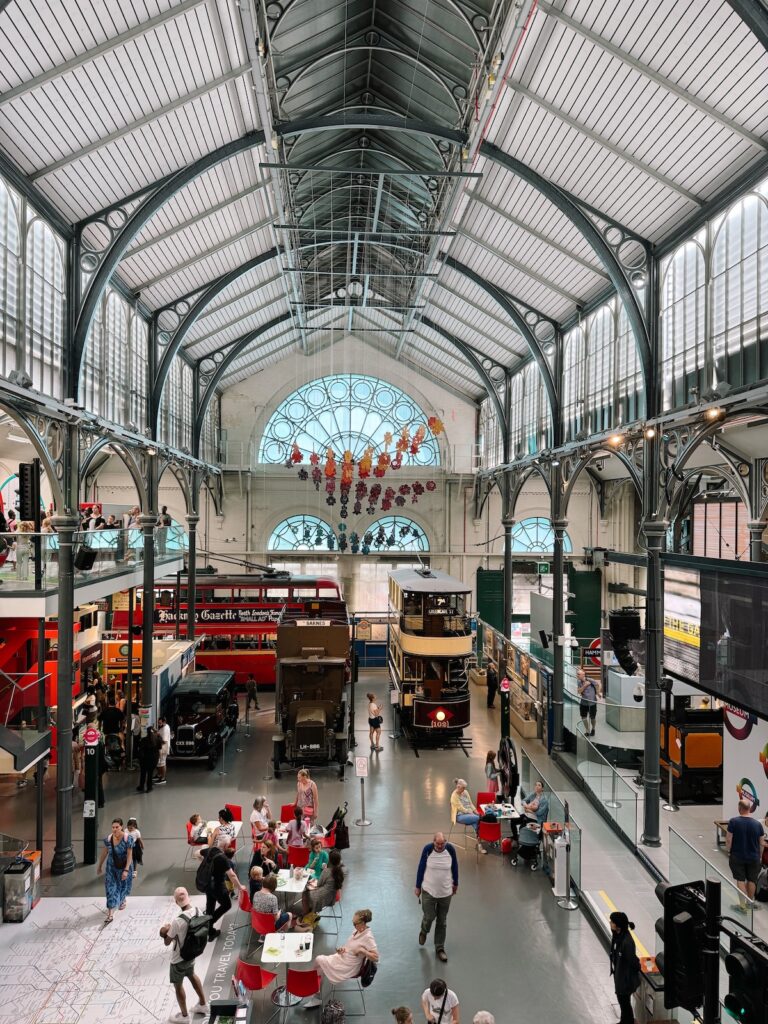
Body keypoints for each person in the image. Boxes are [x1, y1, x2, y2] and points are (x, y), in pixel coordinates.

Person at [305, 908, 379, 1008]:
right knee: (320, 966)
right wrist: (343, 949)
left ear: (362, 923)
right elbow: (350, 946)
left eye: (354, 923)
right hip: (343, 957)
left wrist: (363, 951)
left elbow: (376, 957)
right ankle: (315, 993)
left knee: (319, 960)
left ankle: (314, 992)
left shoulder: (368, 937)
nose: (353, 925)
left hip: (349, 966)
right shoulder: (357, 930)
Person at [159, 885, 210, 1023]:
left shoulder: (178, 921)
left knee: (178, 985)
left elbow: (167, 942)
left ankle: (184, 1016)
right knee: (192, 975)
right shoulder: (199, 911)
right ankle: (203, 1004)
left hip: (178, 959)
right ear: (189, 898)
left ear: (176, 902)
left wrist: (166, 929)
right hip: (192, 953)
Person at [415, 832, 459, 964]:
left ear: (445, 842)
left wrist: (455, 883)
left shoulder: (450, 849)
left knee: (442, 920)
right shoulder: (427, 850)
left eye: (442, 843)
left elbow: (455, 866)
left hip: (445, 892)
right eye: (437, 843)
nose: (440, 846)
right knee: (429, 916)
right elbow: (421, 867)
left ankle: (440, 948)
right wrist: (417, 886)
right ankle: (424, 930)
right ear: (433, 842)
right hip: (428, 890)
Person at [202, 835, 245, 940]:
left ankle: (210, 931)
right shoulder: (223, 858)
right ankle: (209, 924)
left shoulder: (211, 850)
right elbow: (232, 875)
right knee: (226, 905)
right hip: (218, 885)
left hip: (208, 883)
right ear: (226, 845)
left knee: (210, 905)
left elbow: (197, 853)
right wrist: (240, 887)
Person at [727, 797, 766, 910]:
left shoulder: (734, 821)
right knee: (752, 880)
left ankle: (742, 906)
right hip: (753, 857)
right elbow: (762, 843)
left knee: (740, 880)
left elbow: (729, 839)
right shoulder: (757, 824)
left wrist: (729, 851)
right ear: (749, 809)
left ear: (739, 808)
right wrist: (759, 857)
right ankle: (750, 904)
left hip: (737, 856)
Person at [97, 817, 135, 923]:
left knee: (122, 887)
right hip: (111, 868)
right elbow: (104, 853)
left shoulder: (128, 839)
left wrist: (126, 870)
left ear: (121, 827)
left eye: (117, 827)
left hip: (124, 867)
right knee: (110, 889)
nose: (114, 829)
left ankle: (122, 900)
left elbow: (129, 855)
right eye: (113, 827)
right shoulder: (109, 839)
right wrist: (100, 865)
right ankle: (110, 914)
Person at [609, 911, 641, 1024]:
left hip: (625, 979)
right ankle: (624, 1021)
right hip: (620, 976)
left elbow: (633, 961)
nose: (610, 923)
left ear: (618, 925)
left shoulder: (627, 942)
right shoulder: (618, 936)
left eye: (612, 922)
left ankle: (628, 1022)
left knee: (624, 1002)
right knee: (623, 1001)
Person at [301, 848, 344, 918]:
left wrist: (323, 870)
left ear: (329, 860)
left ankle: (306, 916)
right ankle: (310, 912)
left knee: (305, 893)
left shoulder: (327, 871)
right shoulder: (340, 872)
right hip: (333, 896)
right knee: (310, 891)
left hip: (323, 897)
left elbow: (318, 884)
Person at [450, 779, 486, 852]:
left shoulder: (465, 792)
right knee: (478, 819)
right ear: (458, 787)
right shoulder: (454, 796)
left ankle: (479, 844)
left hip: (470, 815)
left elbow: (470, 804)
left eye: (464, 788)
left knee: (477, 822)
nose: (464, 789)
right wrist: (472, 813)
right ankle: (482, 840)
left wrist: (476, 812)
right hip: (460, 816)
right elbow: (462, 808)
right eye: (463, 788)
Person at [136, 726, 162, 793]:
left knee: (143, 773)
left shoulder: (143, 740)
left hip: (144, 759)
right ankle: (149, 788)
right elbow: (160, 747)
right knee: (150, 774)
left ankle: (141, 787)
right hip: (153, 759)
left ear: (147, 732)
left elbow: (140, 750)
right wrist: (158, 735)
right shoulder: (157, 740)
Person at [577, 666, 600, 737]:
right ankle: (587, 730)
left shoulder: (590, 680)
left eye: (578, 674)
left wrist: (598, 693)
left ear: (583, 675)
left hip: (592, 703)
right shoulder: (579, 682)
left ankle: (593, 728)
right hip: (583, 702)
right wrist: (584, 686)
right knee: (583, 716)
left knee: (592, 717)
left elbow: (597, 684)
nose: (577, 675)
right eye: (577, 674)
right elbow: (579, 691)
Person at [155, 715, 171, 784]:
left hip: (163, 748)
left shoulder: (165, 729)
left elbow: (164, 741)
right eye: (158, 723)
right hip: (161, 748)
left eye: (160, 723)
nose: (159, 724)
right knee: (159, 763)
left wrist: (157, 738)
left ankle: (163, 778)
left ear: (164, 722)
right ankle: (159, 775)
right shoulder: (165, 726)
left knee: (162, 763)